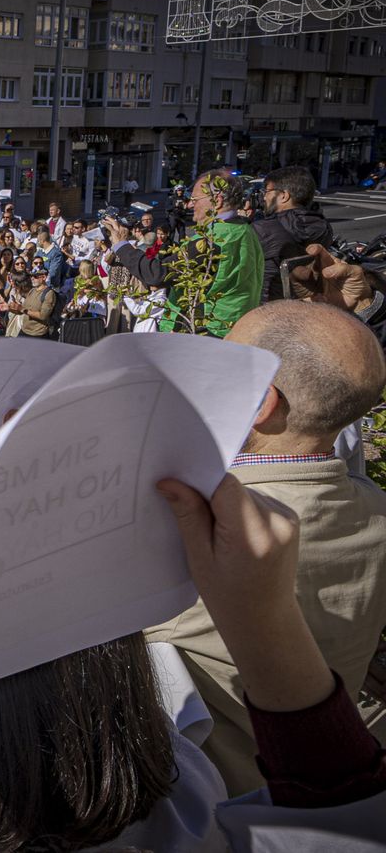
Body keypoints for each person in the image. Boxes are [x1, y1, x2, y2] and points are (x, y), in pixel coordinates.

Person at [148, 300, 386, 795]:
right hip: (306, 783)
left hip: (213, 805)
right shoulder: (374, 508)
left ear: (261, 402)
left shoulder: (187, 535)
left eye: (223, 365)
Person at [170, 169, 265, 336]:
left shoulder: (214, 237)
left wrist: (122, 245)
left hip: (211, 330)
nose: (191, 205)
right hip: (238, 325)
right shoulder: (244, 228)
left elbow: (158, 273)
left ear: (217, 201)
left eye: (195, 199)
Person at [254, 166, 334, 301]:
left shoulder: (263, 229)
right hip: (308, 304)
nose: (264, 198)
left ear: (284, 196)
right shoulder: (324, 227)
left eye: (267, 192)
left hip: (266, 308)